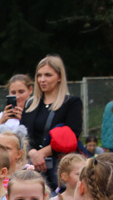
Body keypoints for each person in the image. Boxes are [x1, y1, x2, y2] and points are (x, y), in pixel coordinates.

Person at [19, 55, 83, 192]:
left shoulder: (71, 103)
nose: (42, 79)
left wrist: (41, 154)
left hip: (60, 167)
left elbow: (73, 135)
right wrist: (33, 154)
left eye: (48, 75)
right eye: (39, 75)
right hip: (32, 166)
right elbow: (23, 134)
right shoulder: (30, 104)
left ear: (59, 77)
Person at [0, 74, 33, 144]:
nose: (17, 96)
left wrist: (25, 121)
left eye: (21, 92)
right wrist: (0, 123)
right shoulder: (3, 115)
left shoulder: (35, 112)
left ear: (30, 90)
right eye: (13, 92)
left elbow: (36, 140)